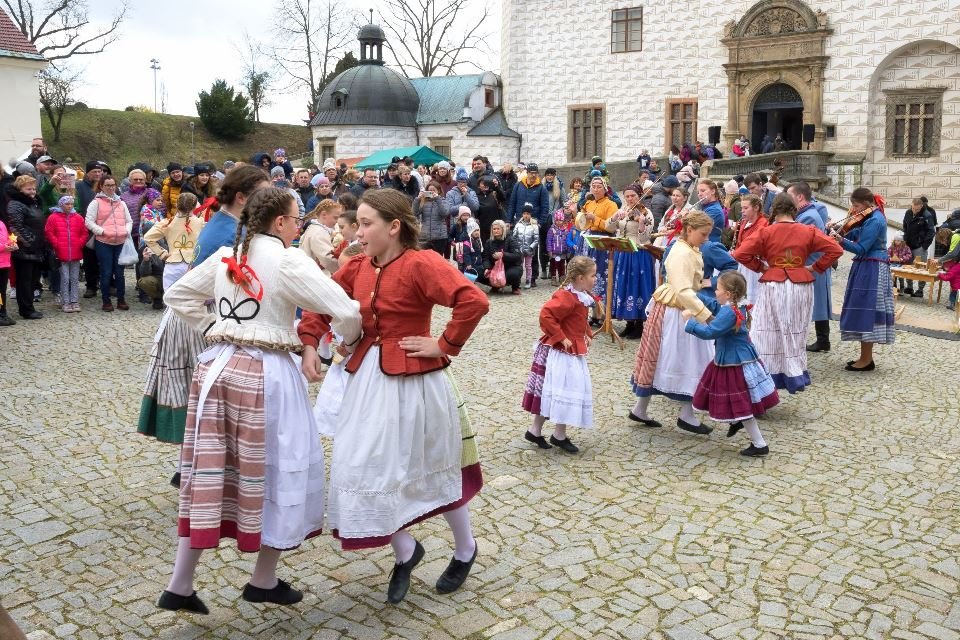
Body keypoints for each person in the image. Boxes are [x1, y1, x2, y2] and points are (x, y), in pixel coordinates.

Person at [156, 187, 362, 615]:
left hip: (214, 370)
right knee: (281, 467)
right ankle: (262, 578)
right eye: (295, 218)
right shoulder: (287, 259)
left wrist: (220, 323)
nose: (298, 225)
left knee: (210, 472)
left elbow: (177, 296)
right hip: (265, 374)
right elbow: (343, 308)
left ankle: (180, 583)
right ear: (280, 223)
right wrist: (349, 340)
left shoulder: (228, 253)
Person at [297, 188, 489, 604]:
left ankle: (465, 548)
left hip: (418, 382)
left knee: (435, 464)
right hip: (367, 380)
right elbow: (318, 305)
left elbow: (472, 301)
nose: (358, 232)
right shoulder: (357, 268)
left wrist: (444, 344)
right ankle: (406, 550)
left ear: (394, 227)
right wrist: (312, 342)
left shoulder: (423, 263)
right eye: (358, 223)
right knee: (364, 465)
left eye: (366, 224)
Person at [138, 165, 270, 484]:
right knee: (207, 398)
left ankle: (190, 469)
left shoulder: (227, 224)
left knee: (203, 397)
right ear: (242, 198)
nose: (268, 201)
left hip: (195, 315)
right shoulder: (229, 232)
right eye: (262, 195)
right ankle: (195, 471)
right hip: (197, 318)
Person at [731, 193, 843, 392]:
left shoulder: (766, 232)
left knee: (766, 330)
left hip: (774, 283)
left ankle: (765, 379)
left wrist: (761, 267)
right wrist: (815, 267)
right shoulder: (808, 231)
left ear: (775, 209)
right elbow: (835, 250)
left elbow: (740, 254)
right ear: (794, 209)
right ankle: (794, 372)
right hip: (801, 284)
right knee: (795, 329)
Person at [629, 212, 716, 434]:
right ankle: (685, 414)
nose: (705, 238)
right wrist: (706, 315)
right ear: (689, 229)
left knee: (667, 357)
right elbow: (683, 290)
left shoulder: (687, 248)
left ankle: (641, 408)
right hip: (679, 311)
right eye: (703, 234)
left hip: (678, 307)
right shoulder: (681, 252)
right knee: (690, 359)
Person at [682, 271, 779, 457]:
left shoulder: (729, 311)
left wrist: (689, 323)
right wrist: (693, 294)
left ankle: (759, 443)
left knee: (741, 403)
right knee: (730, 396)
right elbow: (714, 306)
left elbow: (712, 332)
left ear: (727, 294)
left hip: (733, 362)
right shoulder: (735, 306)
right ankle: (736, 422)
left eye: (717, 289)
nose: (714, 291)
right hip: (734, 358)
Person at [521, 256, 597, 454]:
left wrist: (587, 333)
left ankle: (535, 430)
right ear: (580, 278)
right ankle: (558, 435)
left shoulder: (580, 295)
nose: (595, 279)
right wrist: (561, 337)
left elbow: (579, 319)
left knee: (553, 392)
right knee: (563, 389)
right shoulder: (567, 297)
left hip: (570, 350)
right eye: (593, 275)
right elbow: (546, 315)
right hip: (561, 353)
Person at [829, 188, 896, 371]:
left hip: (872, 266)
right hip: (867, 265)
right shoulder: (869, 217)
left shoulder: (875, 219)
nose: (854, 209)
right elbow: (855, 234)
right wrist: (838, 230)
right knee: (862, 308)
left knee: (867, 309)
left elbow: (861, 248)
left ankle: (866, 360)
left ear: (867, 203)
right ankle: (865, 357)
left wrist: (839, 240)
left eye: (856, 205)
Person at [606, 185, 656, 339]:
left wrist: (641, 224)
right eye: (627, 196)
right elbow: (609, 228)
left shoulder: (646, 213)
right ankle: (629, 323)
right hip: (623, 252)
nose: (630, 199)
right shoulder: (624, 209)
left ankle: (640, 324)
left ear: (639, 195)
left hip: (639, 253)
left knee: (637, 286)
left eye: (633, 196)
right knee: (624, 286)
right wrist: (614, 218)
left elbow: (646, 237)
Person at [84, 174, 132, 312]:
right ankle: (106, 301)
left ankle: (121, 299)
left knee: (120, 272)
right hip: (104, 242)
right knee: (106, 272)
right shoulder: (96, 203)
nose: (111, 188)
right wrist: (101, 231)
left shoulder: (121, 203)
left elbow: (129, 220)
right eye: (108, 185)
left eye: (112, 185)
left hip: (120, 241)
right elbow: (88, 221)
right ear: (101, 186)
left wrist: (126, 231)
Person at [143, 192, 205, 290]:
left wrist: (162, 253)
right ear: (195, 206)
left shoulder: (167, 222)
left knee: (170, 298)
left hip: (173, 264)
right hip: (194, 264)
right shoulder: (201, 223)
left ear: (177, 205)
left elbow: (148, 238)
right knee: (192, 299)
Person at [577, 177, 619, 323]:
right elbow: (581, 221)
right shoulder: (588, 203)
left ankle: (601, 313)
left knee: (600, 277)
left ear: (605, 188)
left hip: (602, 244)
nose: (595, 189)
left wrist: (594, 218)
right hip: (588, 243)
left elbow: (611, 227)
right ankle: (593, 313)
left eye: (599, 186)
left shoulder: (611, 205)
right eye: (593, 186)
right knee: (587, 277)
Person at [5, 176, 45, 319]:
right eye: (28, 188)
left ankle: (29, 307)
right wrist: (29, 242)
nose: (32, 191)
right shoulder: (16, 204)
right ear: (20, 189)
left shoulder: (32, 203)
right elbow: (15, 227)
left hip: (36, 247)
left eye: (34, 188)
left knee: (32, 280)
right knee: (25, 280)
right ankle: (26, 310)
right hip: (25, 249)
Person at [43, 195, 87, 312]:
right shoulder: (53, 217)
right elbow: (49, 232)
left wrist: (79, 243)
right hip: (61, 253)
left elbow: (84, 232)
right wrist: (56, 244)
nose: (70, 206)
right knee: (65, 278)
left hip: (75, 252)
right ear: (61, 205)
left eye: (71, 204)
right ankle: (65, 301)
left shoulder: (78, 217)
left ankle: (74, 300)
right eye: (67, 204)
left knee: (74, 278)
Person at [731, 194, 768, 303]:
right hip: (744, 263)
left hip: (755, 265)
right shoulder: (744, 222)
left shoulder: (763, 224)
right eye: (742, 208)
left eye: (746, 208)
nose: (742, 211)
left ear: (756, 208)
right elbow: (740, 244)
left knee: (754, 299)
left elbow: (752, 247)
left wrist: (760, 267)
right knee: (743, 296)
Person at [902, 197, 937, 298]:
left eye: (916, 209)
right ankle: (909, 287)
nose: (914, 211)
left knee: (921, 268)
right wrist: (904, 238)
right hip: (908, 245)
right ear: (911, 205)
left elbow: (931, 232)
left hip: (919, 246)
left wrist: (924, 246)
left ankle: (920, 289)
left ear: (921, 206)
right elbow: (905, 226)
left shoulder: (927, 215)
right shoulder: (908, 213)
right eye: (913, 208)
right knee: (908, 266)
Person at [477, 219, 523, 294]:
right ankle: (495, 286)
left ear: (503, 229)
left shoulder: (511, 239)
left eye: (498, 229)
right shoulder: (489, 242)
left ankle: (515, 287)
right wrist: (487, 267)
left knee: (513, 274)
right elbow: (485, 257)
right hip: (494, 267)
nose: (496, 231)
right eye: (494, 229)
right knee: (479, 272)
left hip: (510, 266)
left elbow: (517, 255)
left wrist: (503, 255)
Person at [299, 199, 343, 274]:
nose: (337, 221)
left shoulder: (312, 228)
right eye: (335, 217)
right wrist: (343, 268)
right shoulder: (319, 232)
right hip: (316, 274)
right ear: (324, 215)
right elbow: (327, 258)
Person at [414, 181, 450, 257]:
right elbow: (414, 213)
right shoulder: (423, 202)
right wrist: (418, 199)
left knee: (437, 259)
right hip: (425, 236)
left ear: (439, 191)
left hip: (439, 237)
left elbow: (445, 213)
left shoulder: (443, 200)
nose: (431, 192)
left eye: (433, 190)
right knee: (426, 259)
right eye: (429, 190)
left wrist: (437, 199)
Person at [513, 203, 539, 288]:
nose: (526, 215)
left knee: (528, 266)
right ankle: (518, 280)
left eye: (528, 214)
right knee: (519, 266)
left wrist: (531, 247)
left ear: (530, 214)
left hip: (529, 250)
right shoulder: (518, 225)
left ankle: (528, 280)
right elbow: (514, 237)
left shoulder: (534, 226)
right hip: (519, 250)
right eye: (524, 213)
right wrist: (516, 247)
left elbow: (536, 239)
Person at [475, 177, 504, 241]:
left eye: (487, 183)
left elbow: (503, 198)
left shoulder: (494, 194)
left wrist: (497, 187)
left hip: (495, 227)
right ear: (478, 186)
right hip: (482, 228)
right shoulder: (476, 196)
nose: (485, 185)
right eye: (483, 183)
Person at [0, 214, 17, 325]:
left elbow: (7, 238)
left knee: (2, 290)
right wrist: (3, 247)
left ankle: (3, 312)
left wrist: (13, 244)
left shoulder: (1, 223)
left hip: (4, 261)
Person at [546, 210, 568, 285]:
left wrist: (567, 249)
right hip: (554, 252)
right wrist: (549, 250)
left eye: (560, 220)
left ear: (563, 220)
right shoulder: (551, 230)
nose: (559, 222)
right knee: (553, 265)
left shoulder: (565, 230)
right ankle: (553, 277)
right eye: (557, 220)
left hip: (562, 251)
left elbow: (566, 240)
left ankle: (562, 277)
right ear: (554, 220)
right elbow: (548, 240)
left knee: (562, 265)